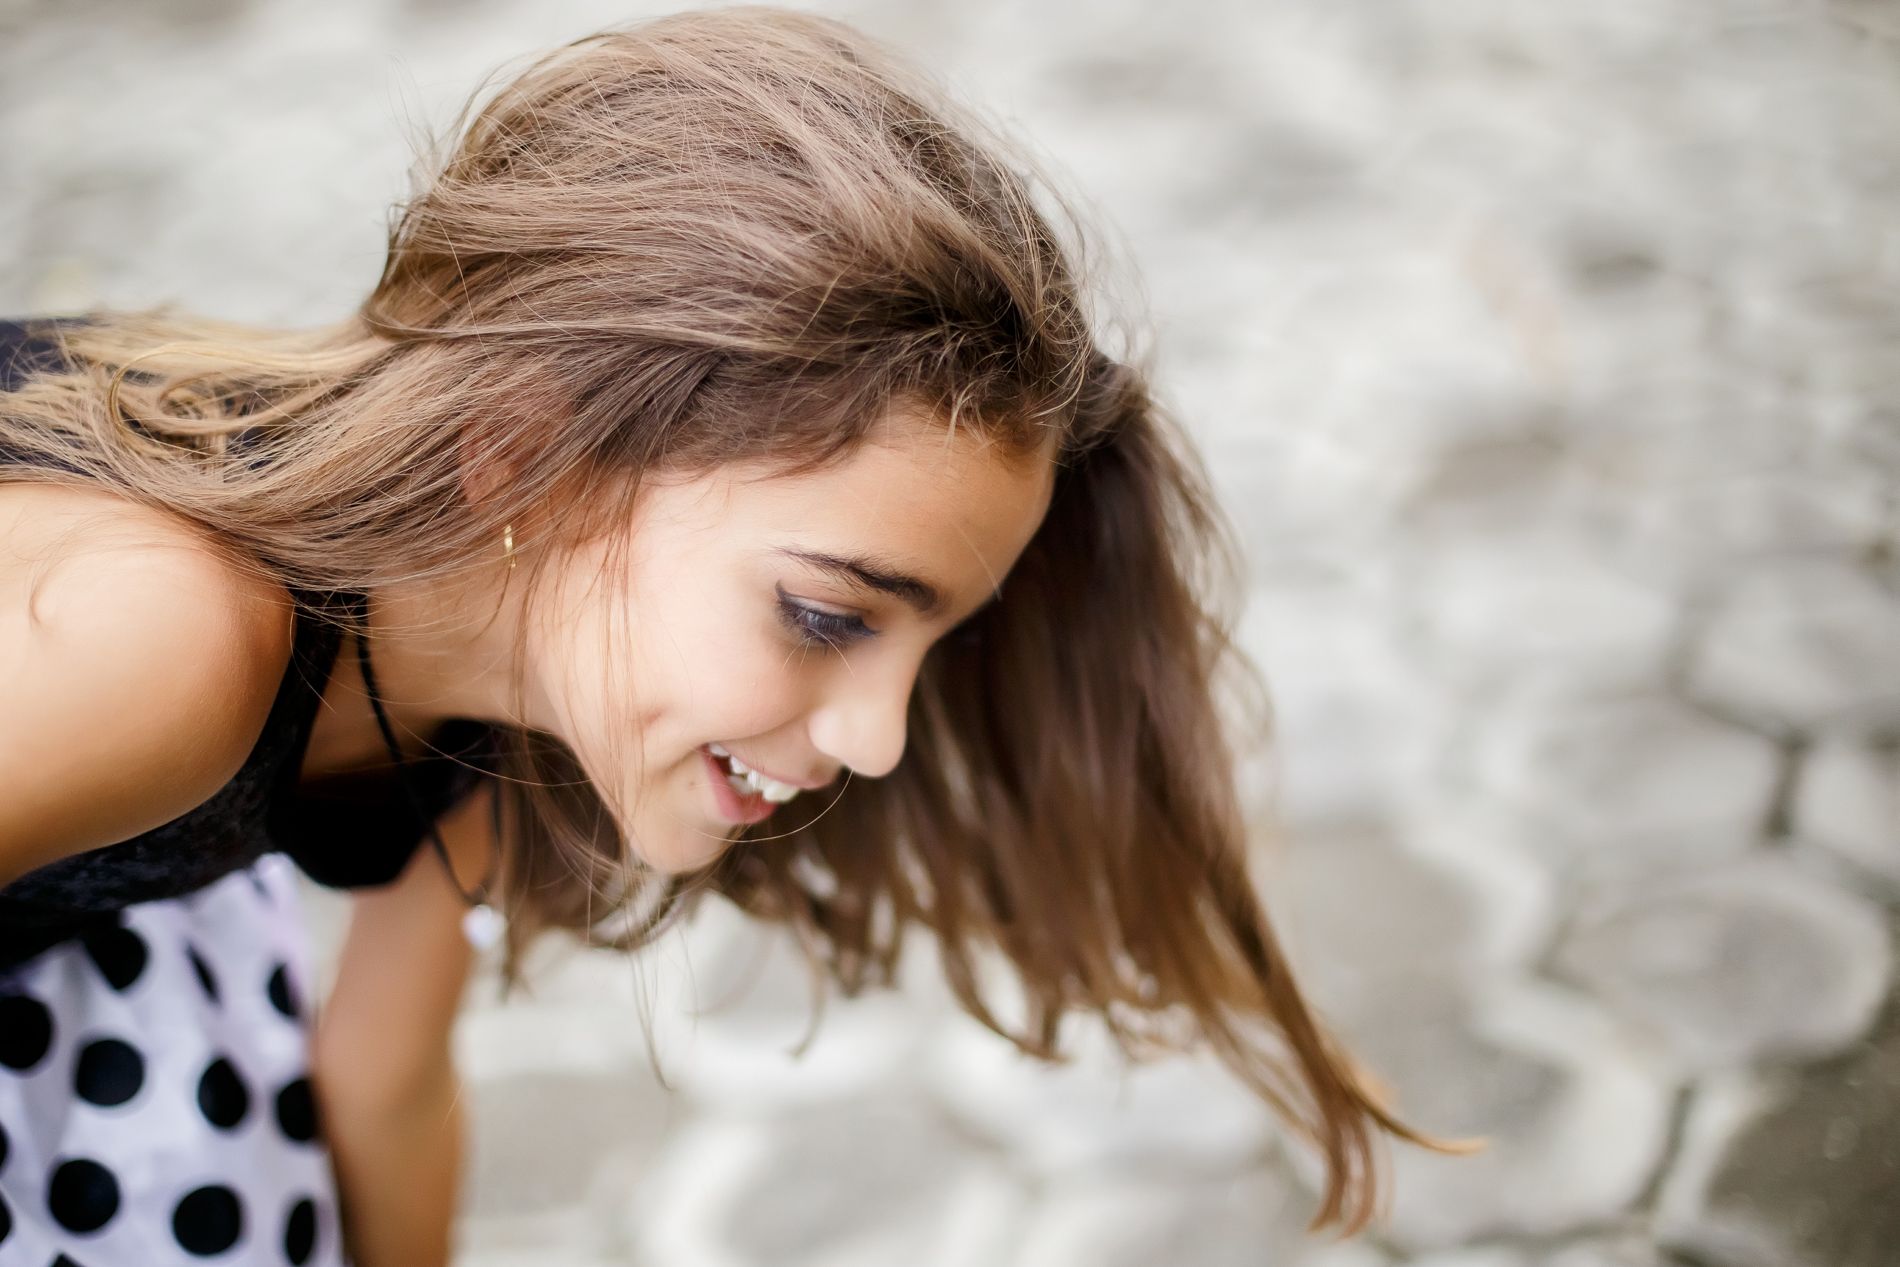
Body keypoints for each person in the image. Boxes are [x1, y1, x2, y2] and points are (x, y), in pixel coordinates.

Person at [0, 7, 1462, 1264]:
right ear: (522, 459)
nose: (880, 739)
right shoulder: (158, 642)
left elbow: (383, 1080)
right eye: (828, 615)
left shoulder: (515, 673)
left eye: (928, 645)